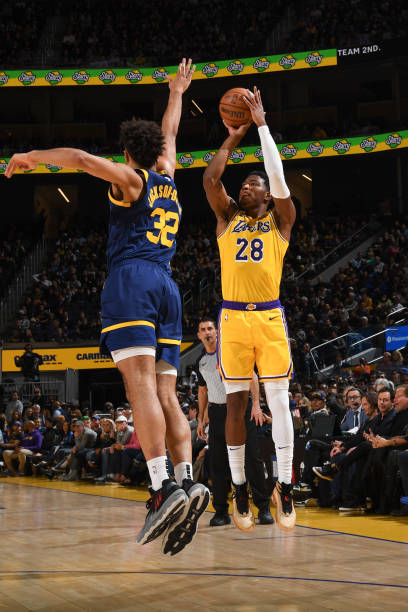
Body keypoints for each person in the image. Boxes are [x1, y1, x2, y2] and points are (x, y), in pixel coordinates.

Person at [6, 58, 209, 553]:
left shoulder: (133, 179)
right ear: (157, 152)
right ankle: (185, 479)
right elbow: (171, 131)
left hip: (133, 281)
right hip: (167, 286)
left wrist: (32, 155)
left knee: (138, 387)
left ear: (125, 153)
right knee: (166, 392)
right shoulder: (169, 175)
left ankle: (161, 488)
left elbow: (77, 157)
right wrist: (176, 91)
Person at [203, 87, 296, 531]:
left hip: (270, 316)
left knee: (279, 400)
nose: (246, 185)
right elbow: (210, 180)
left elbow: (279, 181)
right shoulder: (227, 217)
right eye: (244, 183)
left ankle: (287, 484)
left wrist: (262, 127)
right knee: (235, 403)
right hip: (234, 317)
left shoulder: (281, 220)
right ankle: (239, 487)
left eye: (252, 184)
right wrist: (233, 136)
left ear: (266, 195)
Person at [196, 319, 274, 526]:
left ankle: (263, 508)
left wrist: (257, 405)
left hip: (240, 408)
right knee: (218, 464)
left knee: (251, 459)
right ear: (199, 336)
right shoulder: (201, 360)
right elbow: (202, 390)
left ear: (217, 332)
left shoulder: (230, 352)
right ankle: (221, 512)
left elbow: (253, 377)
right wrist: (202, 416)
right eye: (203, 330)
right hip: (217, 412)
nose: (207, 332)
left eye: (210, 328)